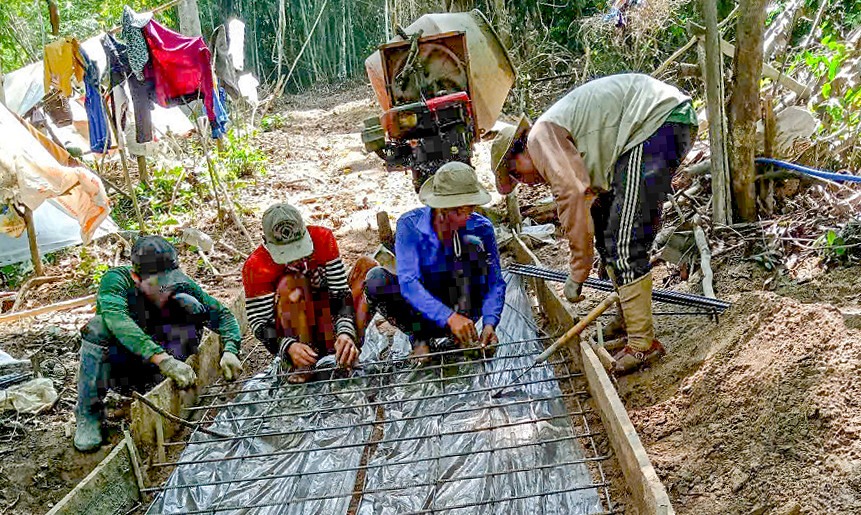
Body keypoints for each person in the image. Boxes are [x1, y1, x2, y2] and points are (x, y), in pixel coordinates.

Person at [491, 73, 697, 375]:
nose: (527, 181)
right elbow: (588, 202)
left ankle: (642, 344)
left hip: (657, 121)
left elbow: (572, 196)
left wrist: (578, 270)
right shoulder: (556, 135)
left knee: (624, 244)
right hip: (653, 126)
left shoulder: (540, 139)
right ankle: (628, 318)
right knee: (607, 232)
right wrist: (594, 251)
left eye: (518, 175)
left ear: (519, 152)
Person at [74, 236, 243, 452]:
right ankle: (89, 413)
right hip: (125, 368)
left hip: (166, 365)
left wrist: (230, 350)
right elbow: (118, 322)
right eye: (158, 284)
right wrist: (163, 360)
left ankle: (173, 388)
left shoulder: (177, 283)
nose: (166, 288)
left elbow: (222, 315)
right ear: (136, 278)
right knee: (97, 327)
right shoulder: (116, 281)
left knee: (190, 304)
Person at [364, 161, 506, 360]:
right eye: (458, 211)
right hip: (423, 312)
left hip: (464, 301)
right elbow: (409, 282)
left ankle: (465, 333)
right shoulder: (410, 226)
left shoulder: (481, 228)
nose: (465, 218)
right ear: (441, 208)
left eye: (470, 209)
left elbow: (495, 282)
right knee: (376, 280)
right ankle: (420, 338)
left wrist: (490, 322)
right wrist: (448, 317)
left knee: (471, 248)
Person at [242, 203, 374, 382]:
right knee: (291, 283)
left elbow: (341, 294)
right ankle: (303, 362)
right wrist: (288, 346)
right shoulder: (256, 266)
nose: (297, 259)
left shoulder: (322, 238)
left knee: (368, 267)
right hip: (297, 329)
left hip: (328, 318)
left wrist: (345, 332)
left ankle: (346, 348)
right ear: (265, 241)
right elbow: (261, 323)